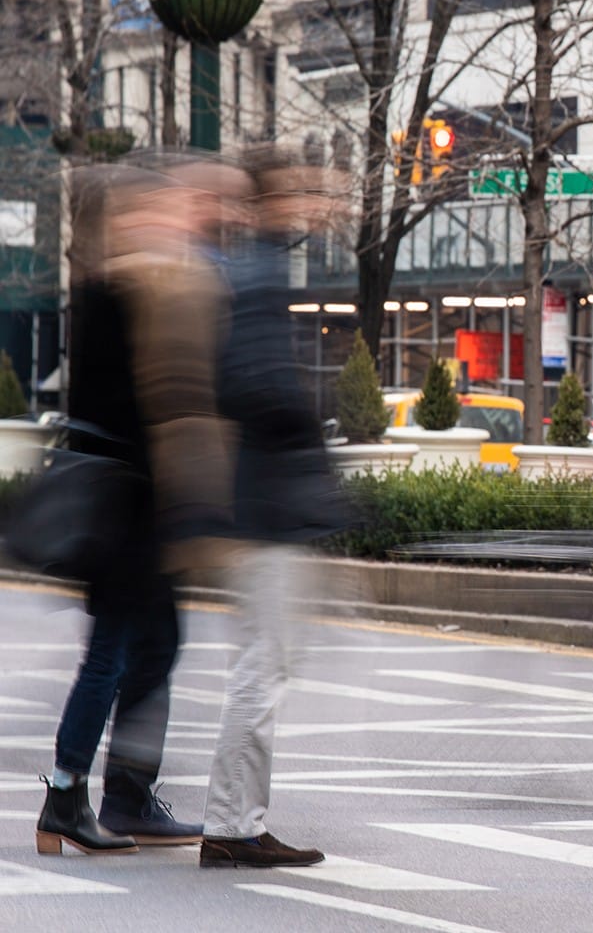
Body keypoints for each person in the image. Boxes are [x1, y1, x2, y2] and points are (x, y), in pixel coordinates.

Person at [37, 166, 237, 855]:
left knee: (154, 644)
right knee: (113, 654)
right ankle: (68, 793)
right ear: (121, 219)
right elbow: (137, 405)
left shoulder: (120, 287)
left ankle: (124, 792)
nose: (167, 221)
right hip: (124, 509)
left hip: (135, 507)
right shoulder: (114, 292)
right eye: (152, 211)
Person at [195, 149, 348, 869]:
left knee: (262, 665)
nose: (313, 203)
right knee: (262, 668)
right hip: (266, 501)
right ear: (270, 202)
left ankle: (238, 821)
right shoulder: (255, 271)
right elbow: (258, 386)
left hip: (260, 498)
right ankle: (230, 824)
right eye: (299, 191)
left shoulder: (250, 268)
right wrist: (313, 448)